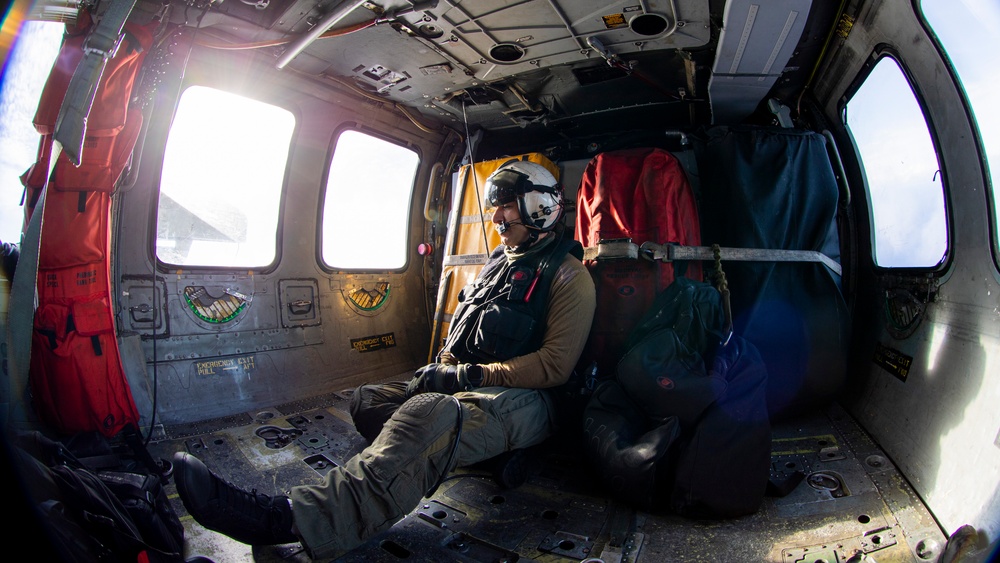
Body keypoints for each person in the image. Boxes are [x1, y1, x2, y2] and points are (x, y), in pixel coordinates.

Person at [172, 159, 597, 559]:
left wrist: (463, 376)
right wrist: (443, 367)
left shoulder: (568, 276)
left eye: (507, 207)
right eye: (495, 207)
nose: (496, 218)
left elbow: (553, 367)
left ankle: (285, 518)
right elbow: (464, 326)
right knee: (367, 400)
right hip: (465, 381)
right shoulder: (497, 265)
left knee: (425, 413)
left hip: (529, 399)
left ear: (540, 208)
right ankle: (442, 454)